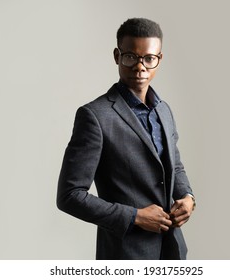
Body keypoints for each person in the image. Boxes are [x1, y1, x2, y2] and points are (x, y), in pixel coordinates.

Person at [57, 18, 195, 260]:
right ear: (117, 56)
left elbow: (175, 164)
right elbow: (69, 196)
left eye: (149, 59)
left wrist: (187, 197)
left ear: (159, 59)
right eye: (131, 57)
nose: (140, 67)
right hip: (125, 256)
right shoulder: (95, 116)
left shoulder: (164, 110)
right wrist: (135, 216)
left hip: (173, 251)